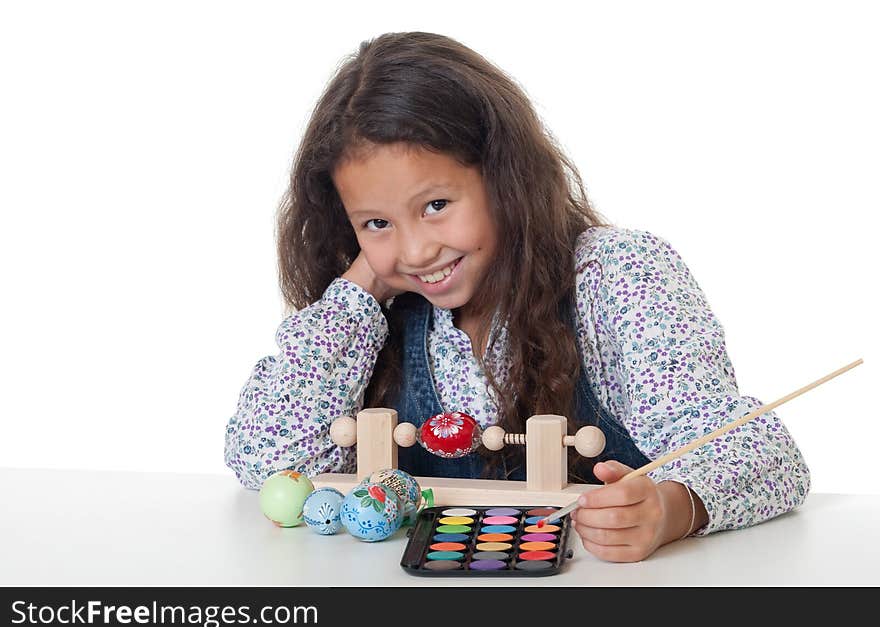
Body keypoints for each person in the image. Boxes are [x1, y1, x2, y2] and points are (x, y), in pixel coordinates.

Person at [224, 31, 810, 562]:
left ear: (506, 179)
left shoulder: (617, 277)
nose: (416, 250)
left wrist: (672, 509)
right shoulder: (373, 317)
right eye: (376, 222)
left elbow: (761, 455)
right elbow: (269, 463)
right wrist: (361, 288)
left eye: (435, 206)